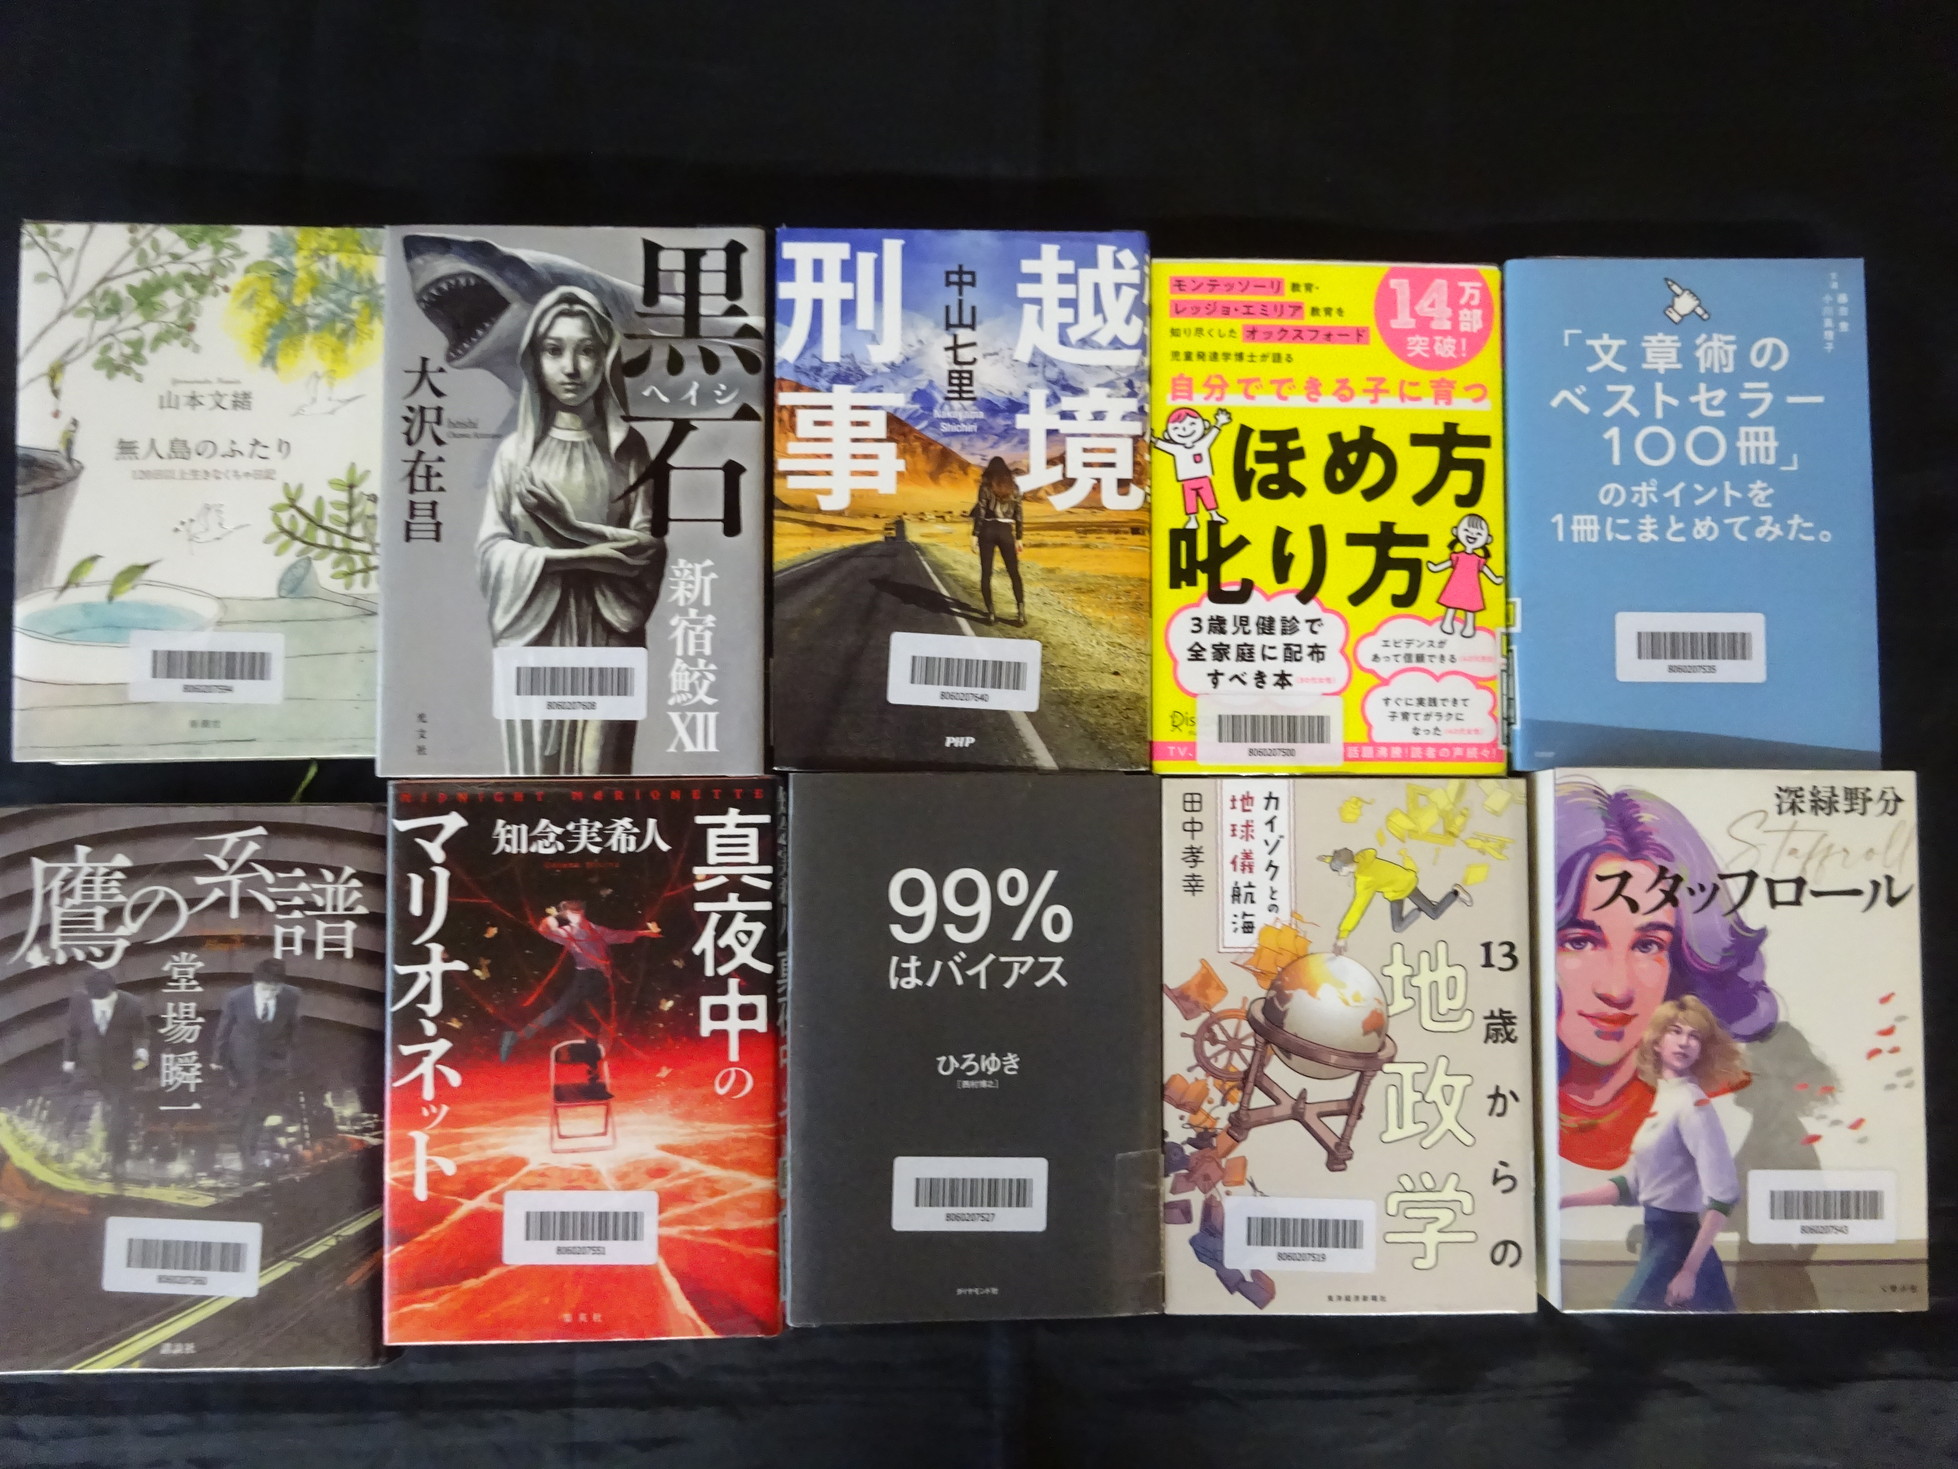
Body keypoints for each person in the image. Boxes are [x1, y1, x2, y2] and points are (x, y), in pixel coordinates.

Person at [477, 285, 662, 776]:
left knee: (601, 777)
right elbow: (493, 553)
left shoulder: (628, 450)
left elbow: (646, 550)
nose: (571, 368)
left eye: (587, 351)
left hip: (609, 629)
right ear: (535, 360)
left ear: (606, 358)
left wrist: (568, 527)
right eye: (554, 350)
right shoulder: (515, 455)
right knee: (535, 779)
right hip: (535, 632)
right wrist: (582, 556)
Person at [1551, 778, 1774, 1173]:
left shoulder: (1728, 1102)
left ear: (1683, 958)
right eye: (1580, 942)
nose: (1616, 989)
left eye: (1648, 945)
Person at [1560, 996, 1746, 1310]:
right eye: (1676, 1031)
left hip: (1679, 1247)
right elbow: (1633, 1186)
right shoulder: (1664, 1100)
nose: (1684, 1042)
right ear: (1657, 1041)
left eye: (1694, 1036)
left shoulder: (1693, 1104)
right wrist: (1564, 1202)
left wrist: (1689, 1271)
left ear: (1702, 1050)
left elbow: (1722, 1197)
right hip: (1657, 1240)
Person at [499, 900, 661, 1091]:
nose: (574, 917)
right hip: (584, 978)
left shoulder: (596, 930)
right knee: (561, 1010)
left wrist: (643, 933)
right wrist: (557, 918)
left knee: (594, 1022)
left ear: (583, 913)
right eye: (570, 914)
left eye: (576, 913)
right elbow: (544, 929)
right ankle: (517, 1036)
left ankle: (593, 1072)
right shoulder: (567, 932)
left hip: (599, 980)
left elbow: (619, 935)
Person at [214, 957, 303, 1173]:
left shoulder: (292, 995)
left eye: (275, 989)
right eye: (265, 989)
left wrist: (291, 1056)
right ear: (256, 983)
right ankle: (246, 1151)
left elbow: (293, 1027)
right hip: (243, 1059)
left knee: (265, 1106)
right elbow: (224, 1028)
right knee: (249, 1105)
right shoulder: (236, 997)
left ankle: (251, 1147)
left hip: (275, 1060)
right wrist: (218, 1059)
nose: (270, 994)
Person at [62, 971, 148, 1181]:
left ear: (113, 991)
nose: (98, 1003)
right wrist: (69, 1058)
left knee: (120, 1115)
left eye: (103, 999)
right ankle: (65, 1151)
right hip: (86, 1062)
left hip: (118, 1066)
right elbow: (72, 1031)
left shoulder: (132, 1003)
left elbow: (141, 1031)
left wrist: (141, 1050)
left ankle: (118, 1161)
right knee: (74, 1106)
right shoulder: (79, 1000)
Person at [1320, 847, 1472, 955]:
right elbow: (1344, 858)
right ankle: (1420, 909)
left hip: (1405, 884)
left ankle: (1455, 892)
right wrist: (1328, 859)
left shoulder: (1366, 880)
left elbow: (1357, 908)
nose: (1339, 874)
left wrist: (1343, 935)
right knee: (1398, 927)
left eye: (1339, 870)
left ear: (1346, 867)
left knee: (1434, 913)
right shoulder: (1362, 858)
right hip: (1395, 892)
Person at [1149, 406, 1230, 528]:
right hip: (1187, 480)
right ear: (1167, 434)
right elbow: (1161, 444)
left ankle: (1214, 515)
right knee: (1190, 500)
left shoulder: (1202, 444)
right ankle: (1192, 519)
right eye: (1176, 428)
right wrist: (1152, 438)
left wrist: (1219, 422)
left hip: (1203, 477)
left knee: (1208, 497)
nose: (1185, 430)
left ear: (1204, 424)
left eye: (1192, 424)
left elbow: (1212, 434)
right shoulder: (1177, 449)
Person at [968, 456, 1026, 625]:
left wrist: (974, 535)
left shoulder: (985, 486)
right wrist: (1019, 538)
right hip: (1006, 531)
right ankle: (1021, 613)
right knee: (1014, 572)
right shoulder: (1014, 488)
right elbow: (1019, 514)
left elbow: (981, 511)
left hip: (987, 530)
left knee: (986, 573)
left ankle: (991, 613)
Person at [1425, 512, 1503, 637]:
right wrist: (1435, 568)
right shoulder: (1458, 556)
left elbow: (1486, 570)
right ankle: (1447, 623)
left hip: (1472, 587)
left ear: (1488, 539)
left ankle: (1469, 627)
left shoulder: (1478, 560)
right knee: (1452, 603)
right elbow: (1447, 564)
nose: (1472, 535)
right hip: (1456, 584)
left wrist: (1495, 579)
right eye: (1467, 530)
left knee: (1470, 607)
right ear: (1456, 531)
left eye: (1479, 534)